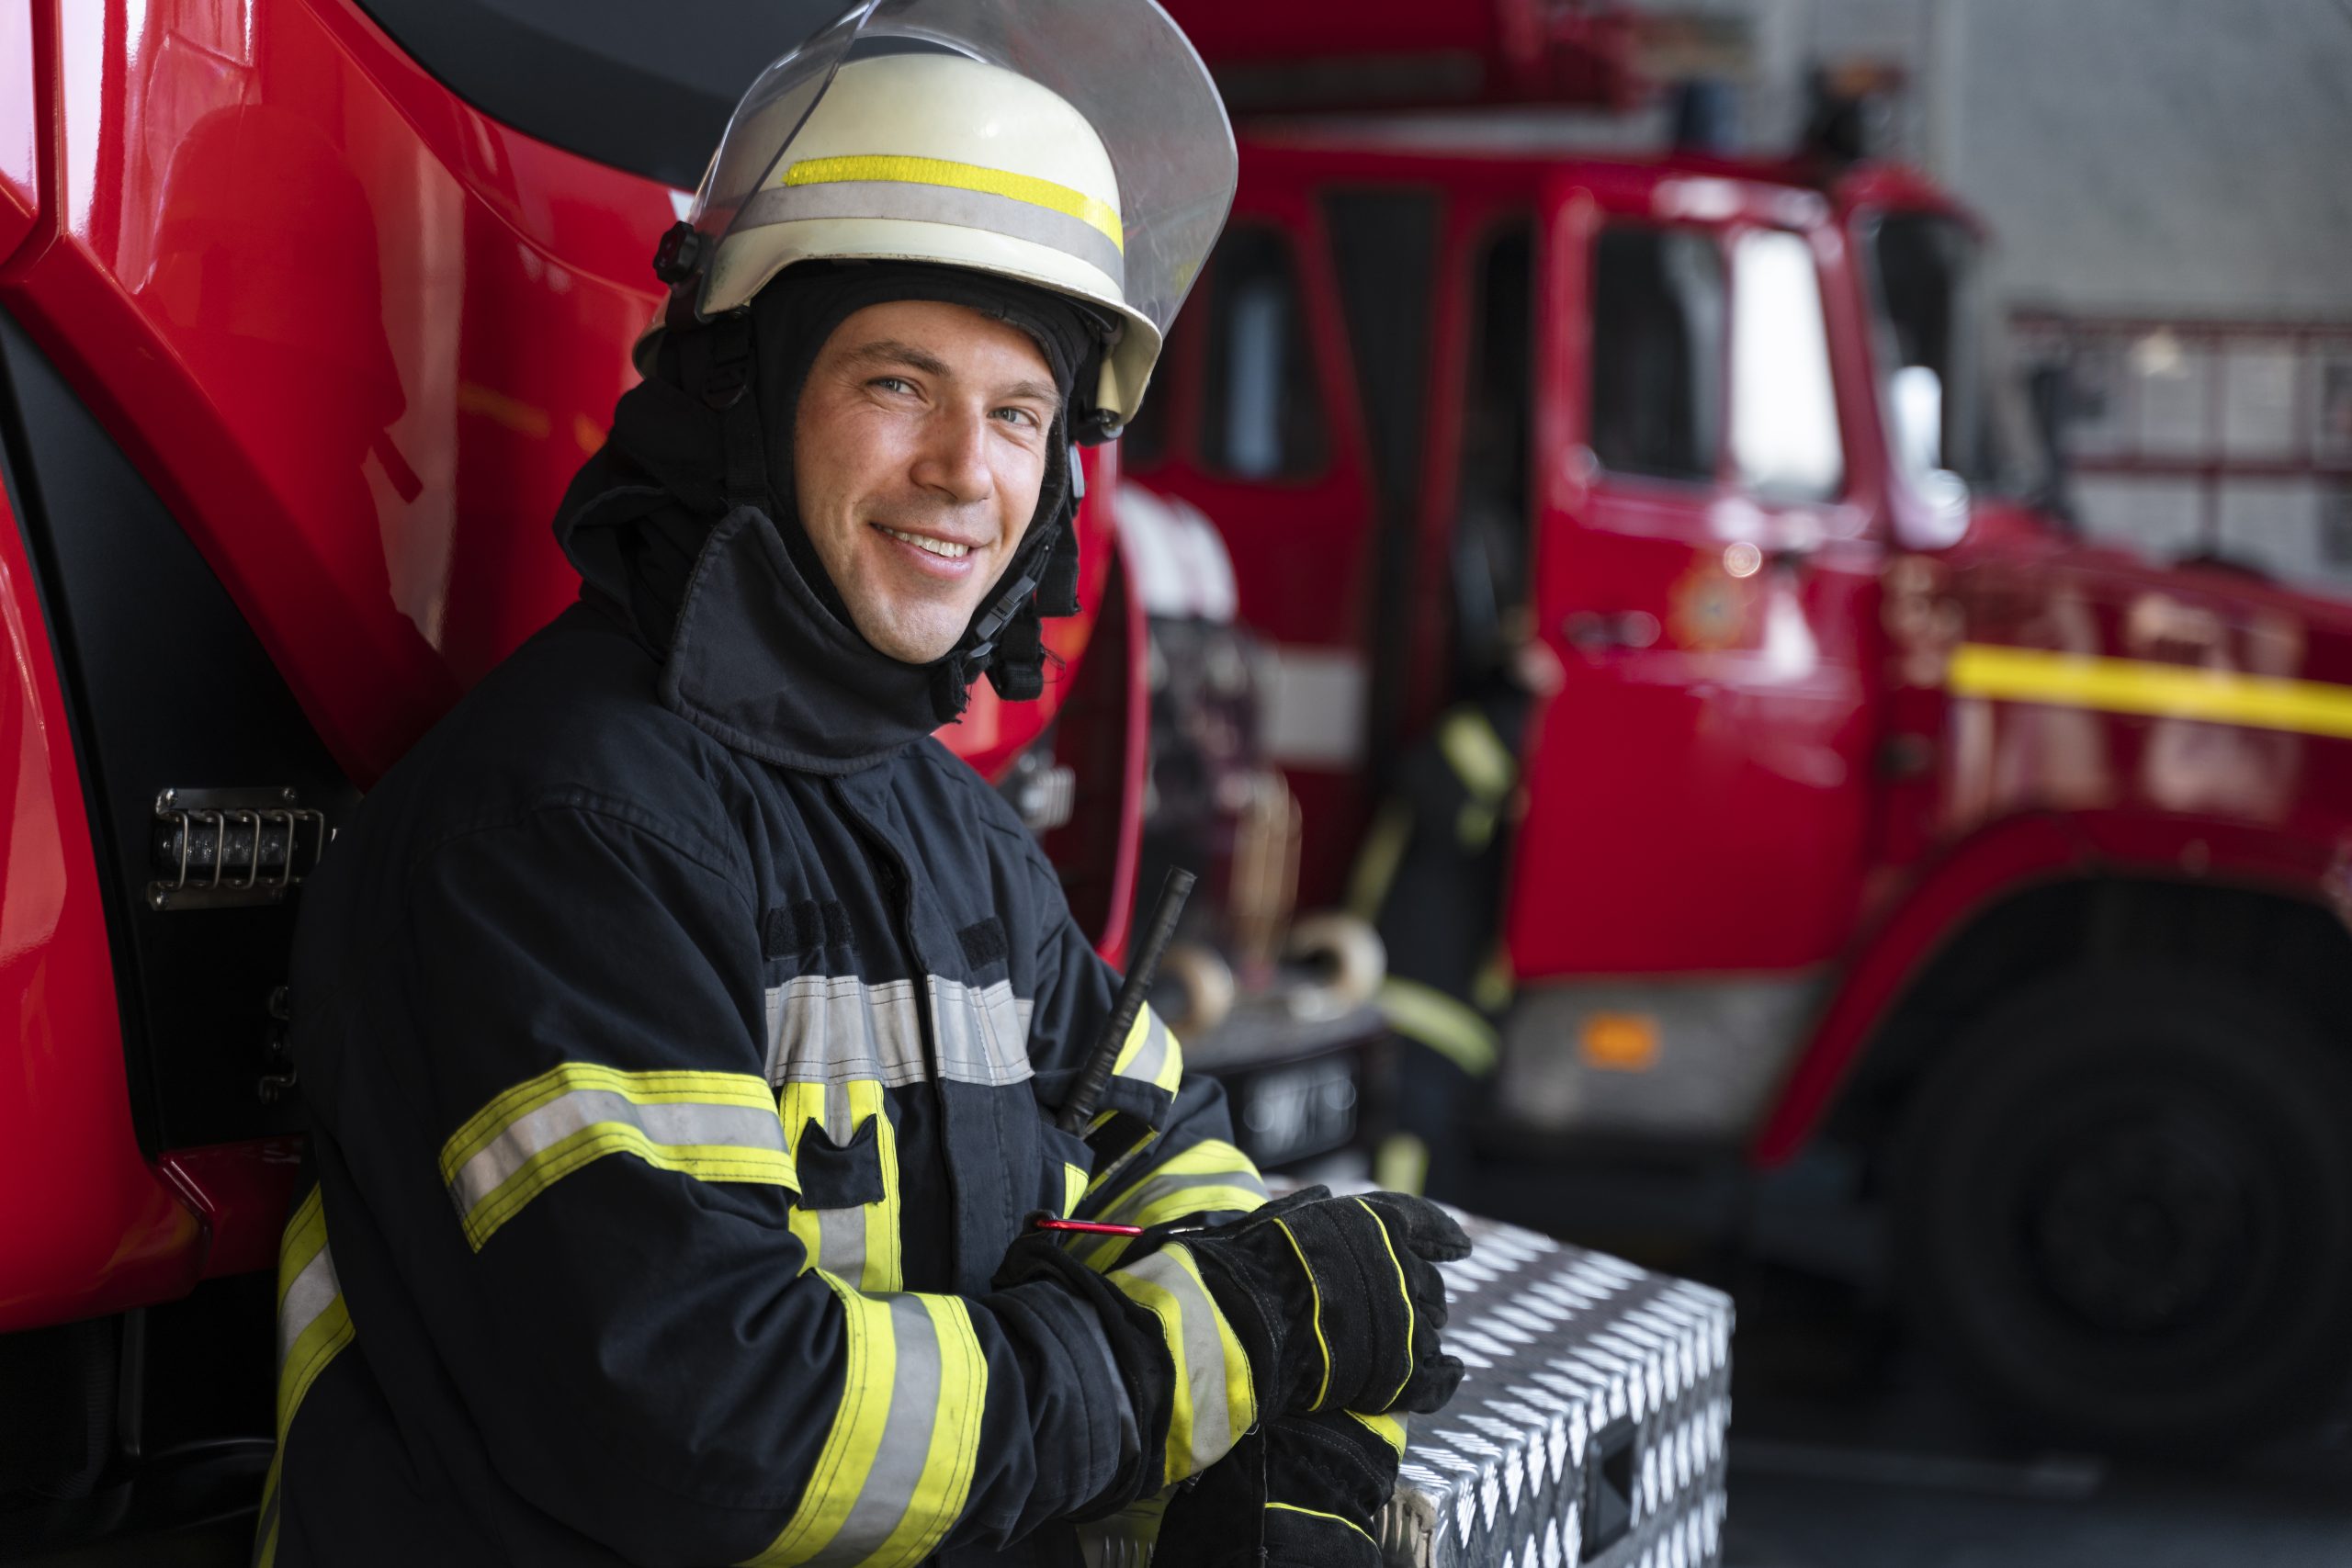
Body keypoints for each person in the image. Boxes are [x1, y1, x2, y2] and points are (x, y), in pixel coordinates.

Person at [255, 5, 1466, 1566]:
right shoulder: (563, 834)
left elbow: (1208, 1200)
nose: (969, 469)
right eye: (900, 383)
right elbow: (714, 1427)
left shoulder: (957, 842)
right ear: (744, 403)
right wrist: (1214, 1357)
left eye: (1020, 413)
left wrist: (1304, 1435)